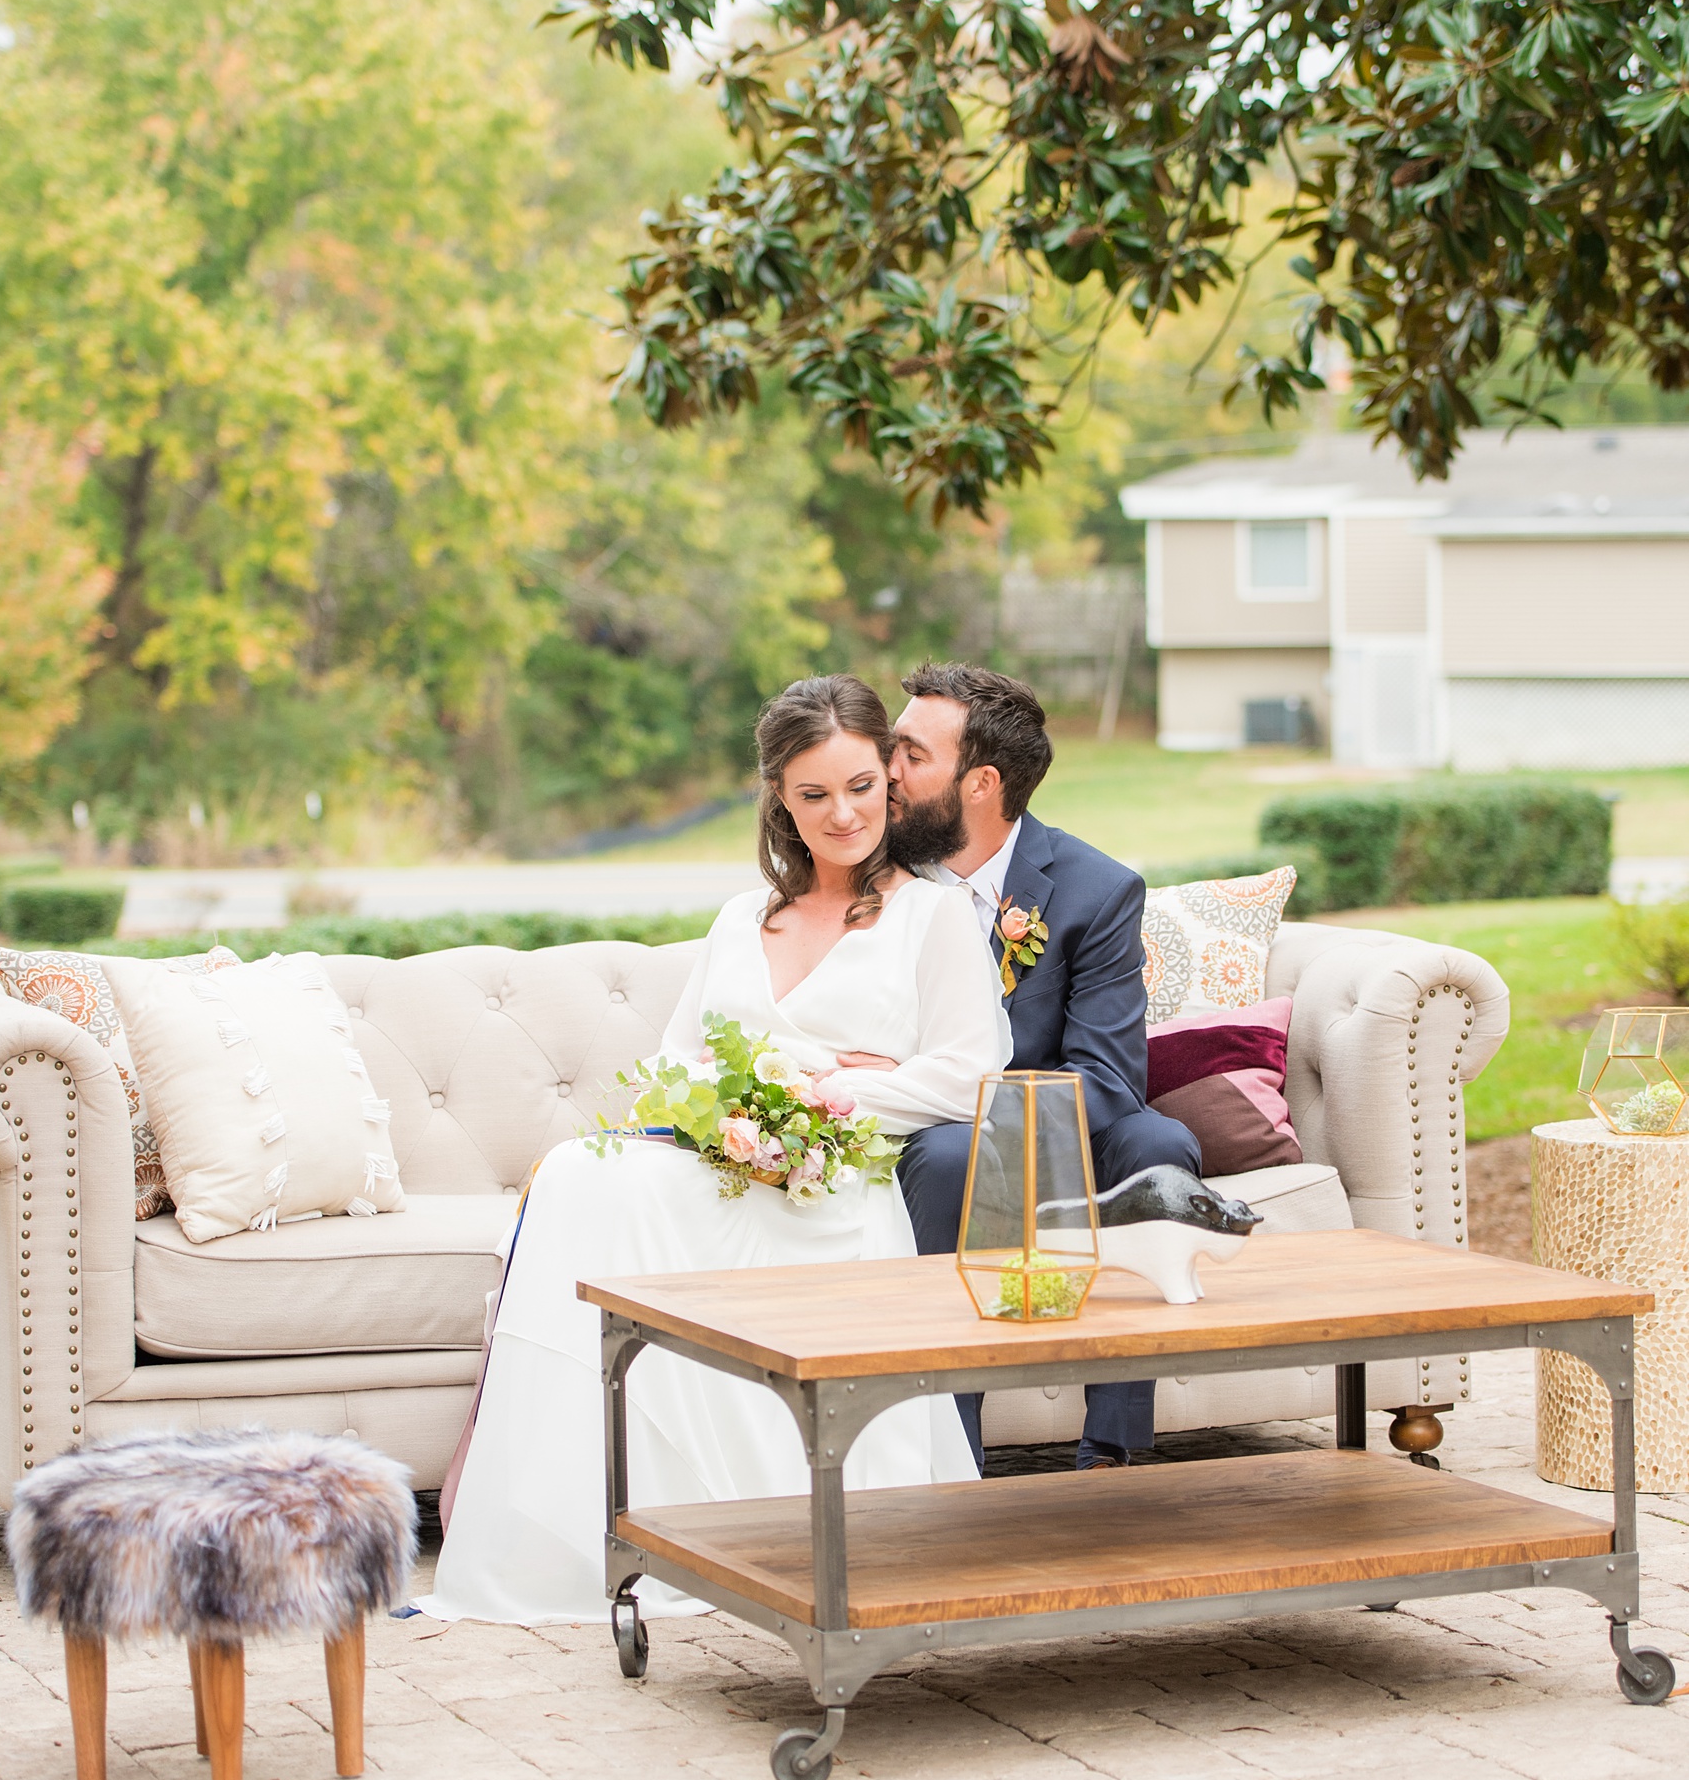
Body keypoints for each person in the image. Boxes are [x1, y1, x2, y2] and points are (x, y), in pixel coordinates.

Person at [422, 674, 1002, 1625]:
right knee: (576, 1176)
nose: (842, 813)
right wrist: (739, 1108)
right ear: (780, 798)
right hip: (725, 1168)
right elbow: (670, 1068)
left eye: (860, 786)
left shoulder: (931, 915)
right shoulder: (745, 918)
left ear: (888, 787)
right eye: (813, 795)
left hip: (833, 1190)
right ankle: (585, 1523)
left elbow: (969, 1073)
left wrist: (829, 1089)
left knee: (584, 1182)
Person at [887, 662, 1202, 1471]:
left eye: (911, 755)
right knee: (955, 1155)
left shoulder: (1095, 891)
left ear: (982, 781)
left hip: (1051, 1118)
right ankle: (952, 1458)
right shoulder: (872, 874)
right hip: (923, 1122)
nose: (887, 772)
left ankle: (1113, 1460)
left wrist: (1005, 1136)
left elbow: (1105, 1076)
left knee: (1158, 1145)